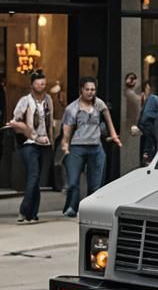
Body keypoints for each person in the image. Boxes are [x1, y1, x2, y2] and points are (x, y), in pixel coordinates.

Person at [60, 77, 121, 218]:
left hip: (95, 147)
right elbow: (67, 130)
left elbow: (108, 118)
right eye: (87, 89)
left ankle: (90, 209)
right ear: (81, 90)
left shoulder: (99, 104)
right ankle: (72, 207)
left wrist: (114, 135)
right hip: (77, 147)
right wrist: (65, 145)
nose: (90, 92)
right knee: (73, 182)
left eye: (93, 89)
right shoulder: (72, 108)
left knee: (95, 183)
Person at [11, 69, 52, 223]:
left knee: (36, 178)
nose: (42, 85)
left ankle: (33, 213)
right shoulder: (25, 100)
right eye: (38, 83)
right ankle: (24, 211)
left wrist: (50, 141)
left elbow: (49, 122)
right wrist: (30, 134)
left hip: (44, 143)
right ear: (32, 84)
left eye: (44, 83)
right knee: (33, 175)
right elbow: (16, 121)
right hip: (29, 143)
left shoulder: (48, 100)